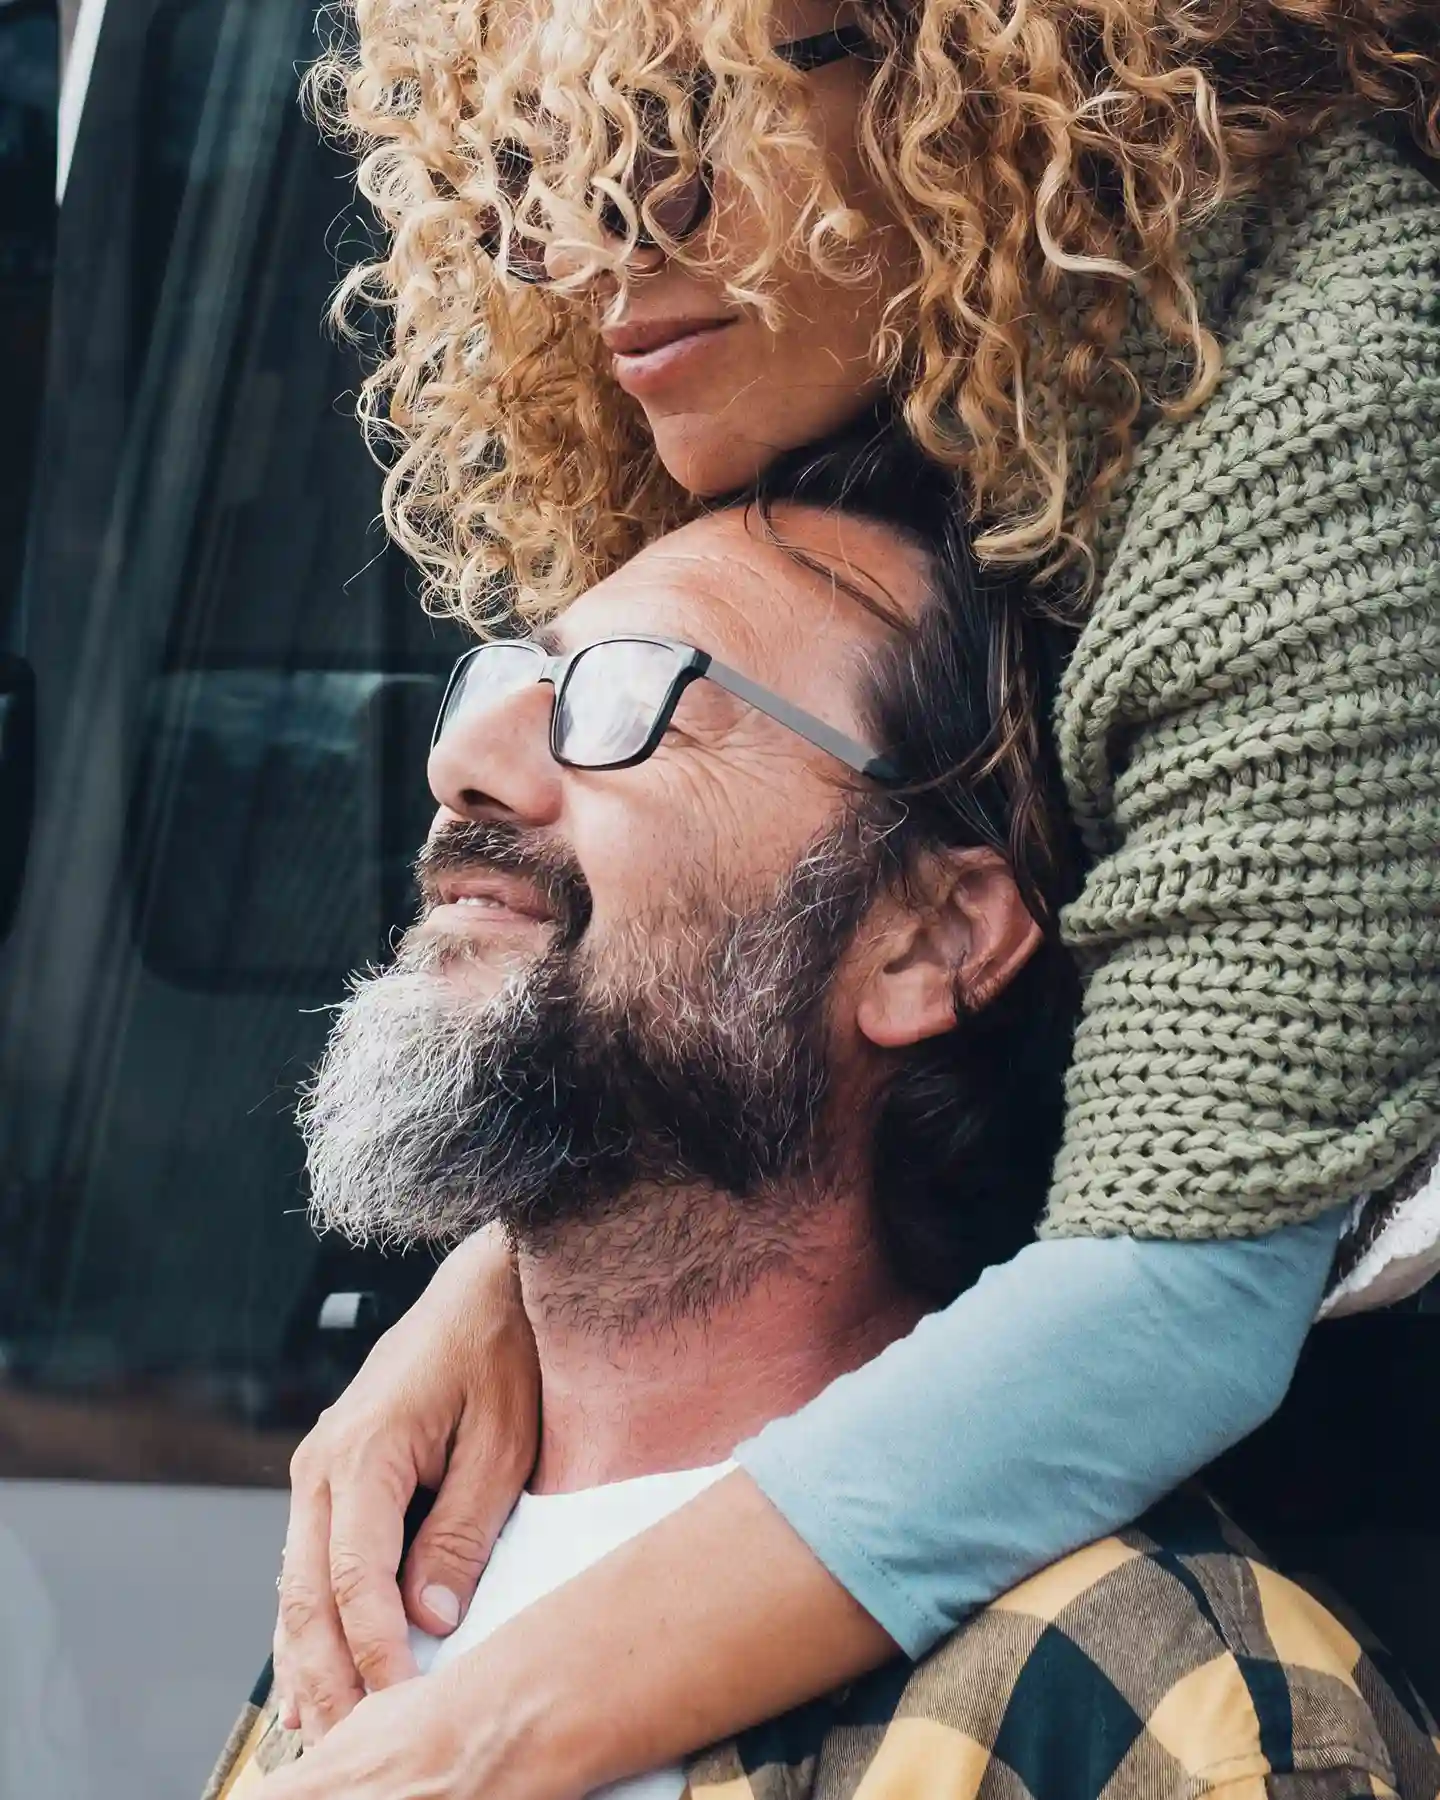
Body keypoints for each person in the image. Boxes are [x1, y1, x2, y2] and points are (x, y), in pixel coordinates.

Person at [272, 2, 1440, 1793]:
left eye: (666, 132)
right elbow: (701, 956)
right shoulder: (863, 362)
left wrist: (456, 1744)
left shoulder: (1328, 365)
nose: (587, 235)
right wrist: (496, 1290)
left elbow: (1176, 1293)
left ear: (957, 67)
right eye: (526, 166)